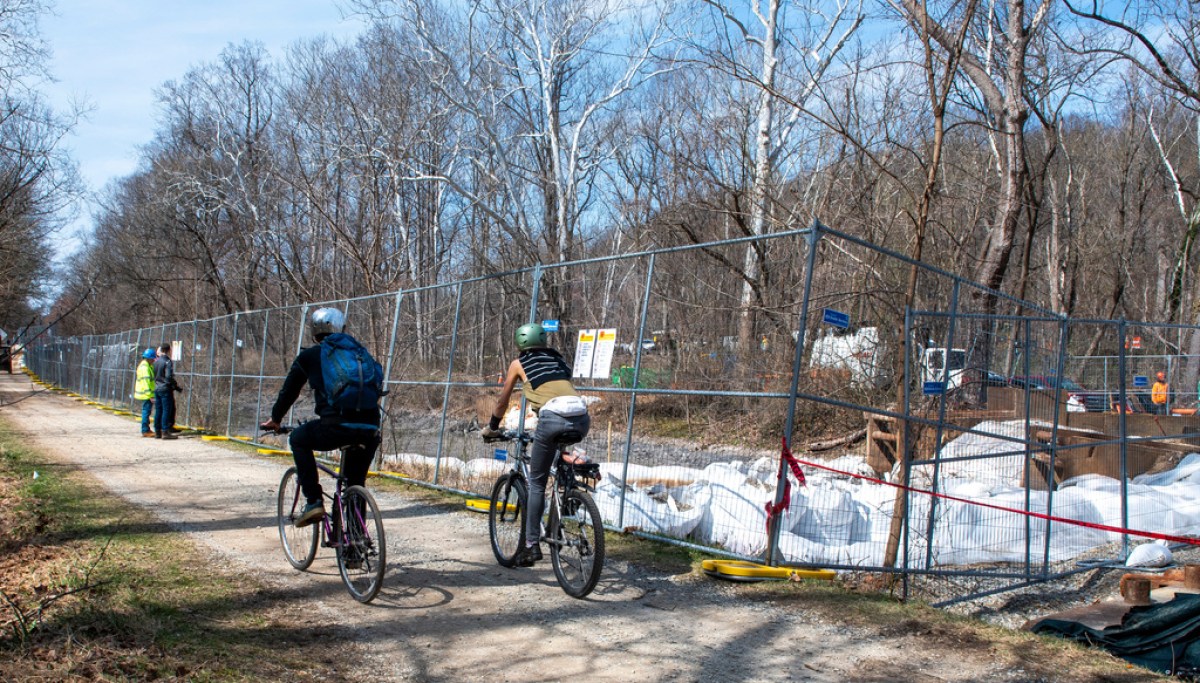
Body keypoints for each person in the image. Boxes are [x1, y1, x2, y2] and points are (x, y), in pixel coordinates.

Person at [260, 308, 382, 528]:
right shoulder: (360, 353)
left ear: (314, 332)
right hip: (370, 428)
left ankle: (314, 501)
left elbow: (289, 391)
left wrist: (276, 418)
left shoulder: (310, 356)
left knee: (298, 439)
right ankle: (356, 542)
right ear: (343, 329)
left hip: (335, 428)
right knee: (355, 482)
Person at [482, 323, 590, 567]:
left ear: (520, 343)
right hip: (582, 417)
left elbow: (503, 400)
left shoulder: (518, 363)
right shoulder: (558, 359)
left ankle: (531, 545)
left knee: (537, 483)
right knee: (558, 454)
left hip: (551, 418)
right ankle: (567, 493)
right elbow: (559, 388)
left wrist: (493, 426)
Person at [153, 344, 179, 439]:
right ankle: (165, 431)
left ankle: (157, 431)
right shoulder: (167, 361)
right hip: (165, 388)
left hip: (157, 387)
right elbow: (168, 376)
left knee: (158, 410)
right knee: (166, 410)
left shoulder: (156, 361)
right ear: (169, 350)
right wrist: (172, 384)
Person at [135, 348, 157, 437]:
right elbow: (146, 382)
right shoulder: (145, 368)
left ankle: (146, 429)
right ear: (149, 358)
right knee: (146, 412)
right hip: (146, 394)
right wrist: (150, 395)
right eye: (152, 359)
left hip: (146, 393)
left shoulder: (147, 366)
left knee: (146, 411)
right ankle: (145, 430)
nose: (153, 361)